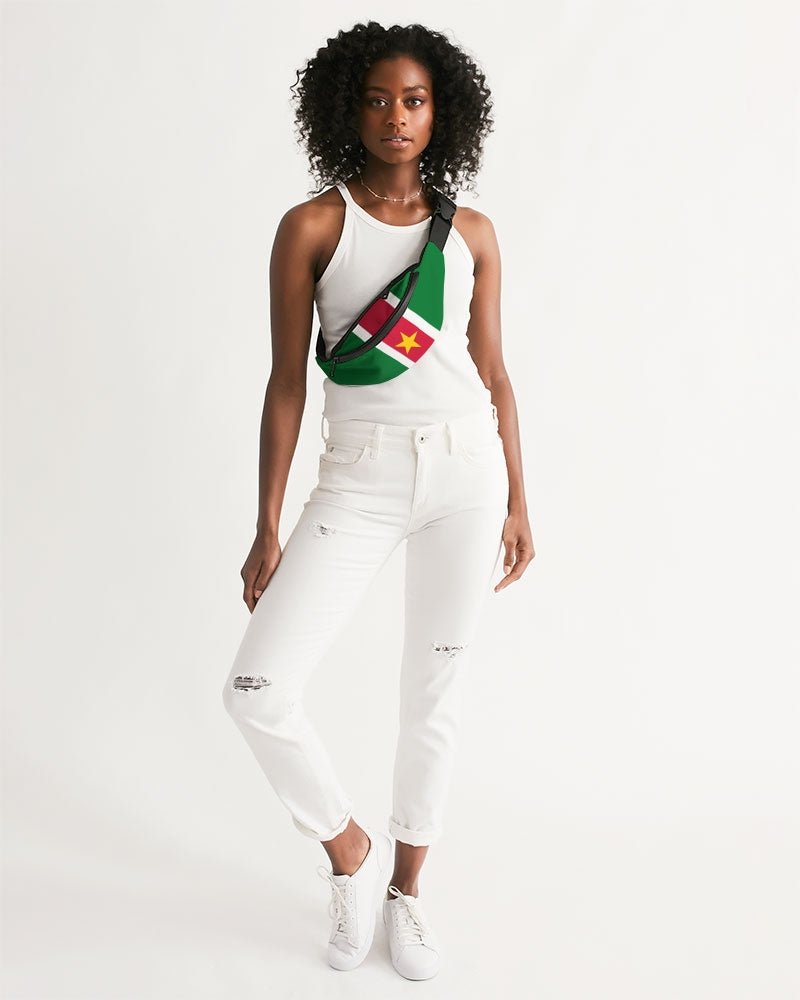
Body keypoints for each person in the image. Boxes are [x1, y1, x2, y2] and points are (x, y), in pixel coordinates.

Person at [221, 20, 535, 980]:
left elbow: (494, 372)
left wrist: (520, 499)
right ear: (346, 110)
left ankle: (407, 892)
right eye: (377, 100)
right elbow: (287, 382)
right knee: (256, 688)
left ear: (442, 113)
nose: (396, 116)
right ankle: (348, 850)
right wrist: (267, 522)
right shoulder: (313, 226)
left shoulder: (471, 235)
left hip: (465, 473)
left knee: (433, 692)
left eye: (415, 100)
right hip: (356, 477)